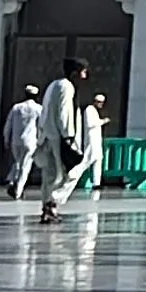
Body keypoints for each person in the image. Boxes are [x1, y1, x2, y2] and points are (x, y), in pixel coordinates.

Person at [36, 66, 101, 224]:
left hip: (47, 135)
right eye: (83, 72)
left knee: (50, 175)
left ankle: (48, 208)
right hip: (59, 138)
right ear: (74, 73)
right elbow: (64, 113)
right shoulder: (67, 86)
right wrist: (68, 137)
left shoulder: (53, 85)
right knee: (69, 173)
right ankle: (53, 202)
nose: (85, 76)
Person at [2, 87, 44, 200]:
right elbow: (42, 126)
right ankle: (18, 192)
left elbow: (8, 124)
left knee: (18, 162)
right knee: (25, 167)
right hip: (30, 141)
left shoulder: (16, 107)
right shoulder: (38, 109)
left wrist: (6, 138)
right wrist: (42, 140)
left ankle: (11, 181)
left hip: (16, 141)